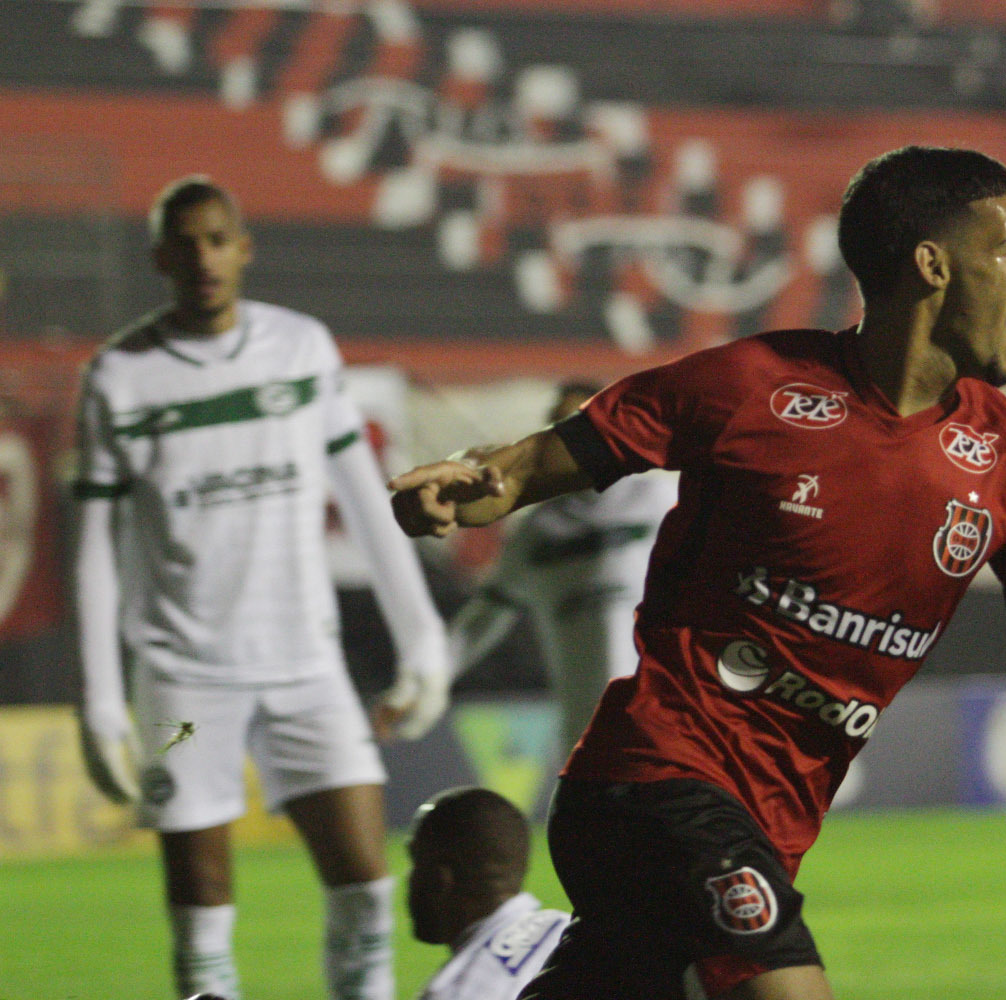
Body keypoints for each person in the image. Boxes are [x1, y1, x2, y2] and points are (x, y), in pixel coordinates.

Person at [388, 146, 1006, 1000]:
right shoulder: (750, 388)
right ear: (932, 265)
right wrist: (463, 485)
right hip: (654, 781)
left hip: (762, 832)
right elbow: (528, 468)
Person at [73, 175, 451, 1000]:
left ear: (243, 248)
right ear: (160, 258)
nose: (204, 257)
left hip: (306, 664)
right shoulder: (119, 379)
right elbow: (96, 545)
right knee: (202, 907)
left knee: (366, 888)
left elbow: (364, 492)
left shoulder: (302, 348)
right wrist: (101, 699)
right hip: (181, 679)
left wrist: (422, 636)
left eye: (218, 239)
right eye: (187, 243)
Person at [447, 380, 676, 758]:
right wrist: (425, 682)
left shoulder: (662, 500)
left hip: (665, 723)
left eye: (577, 425)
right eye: (557, 428)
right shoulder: (538, 529)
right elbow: (484, 619)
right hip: (582, 734)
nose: (567, 441)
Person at [406, 787, 571, 1000]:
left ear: (441, 879)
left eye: (416, 863)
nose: (409, 879)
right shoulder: (568, 929)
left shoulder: (454, 992)